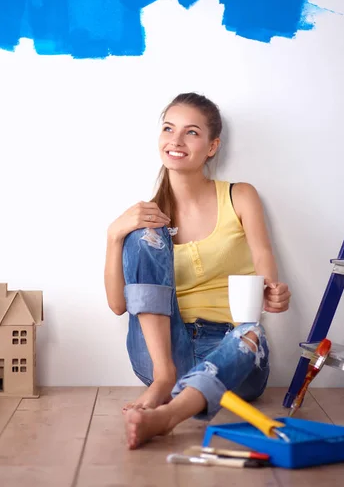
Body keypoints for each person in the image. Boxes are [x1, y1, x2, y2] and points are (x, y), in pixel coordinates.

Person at [104, 92, 291, 449]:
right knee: (143, 235)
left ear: (211, 146)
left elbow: (267, 277)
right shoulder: (148, 217)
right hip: (161, 353)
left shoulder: (239, 195)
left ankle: (168, 415)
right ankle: (164, 380)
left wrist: (276, 294)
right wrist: (114, 234)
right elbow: (117, 305)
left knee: (252, 333)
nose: (175, 140)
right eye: (168, 129)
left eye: (191, 132)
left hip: (230, 350)